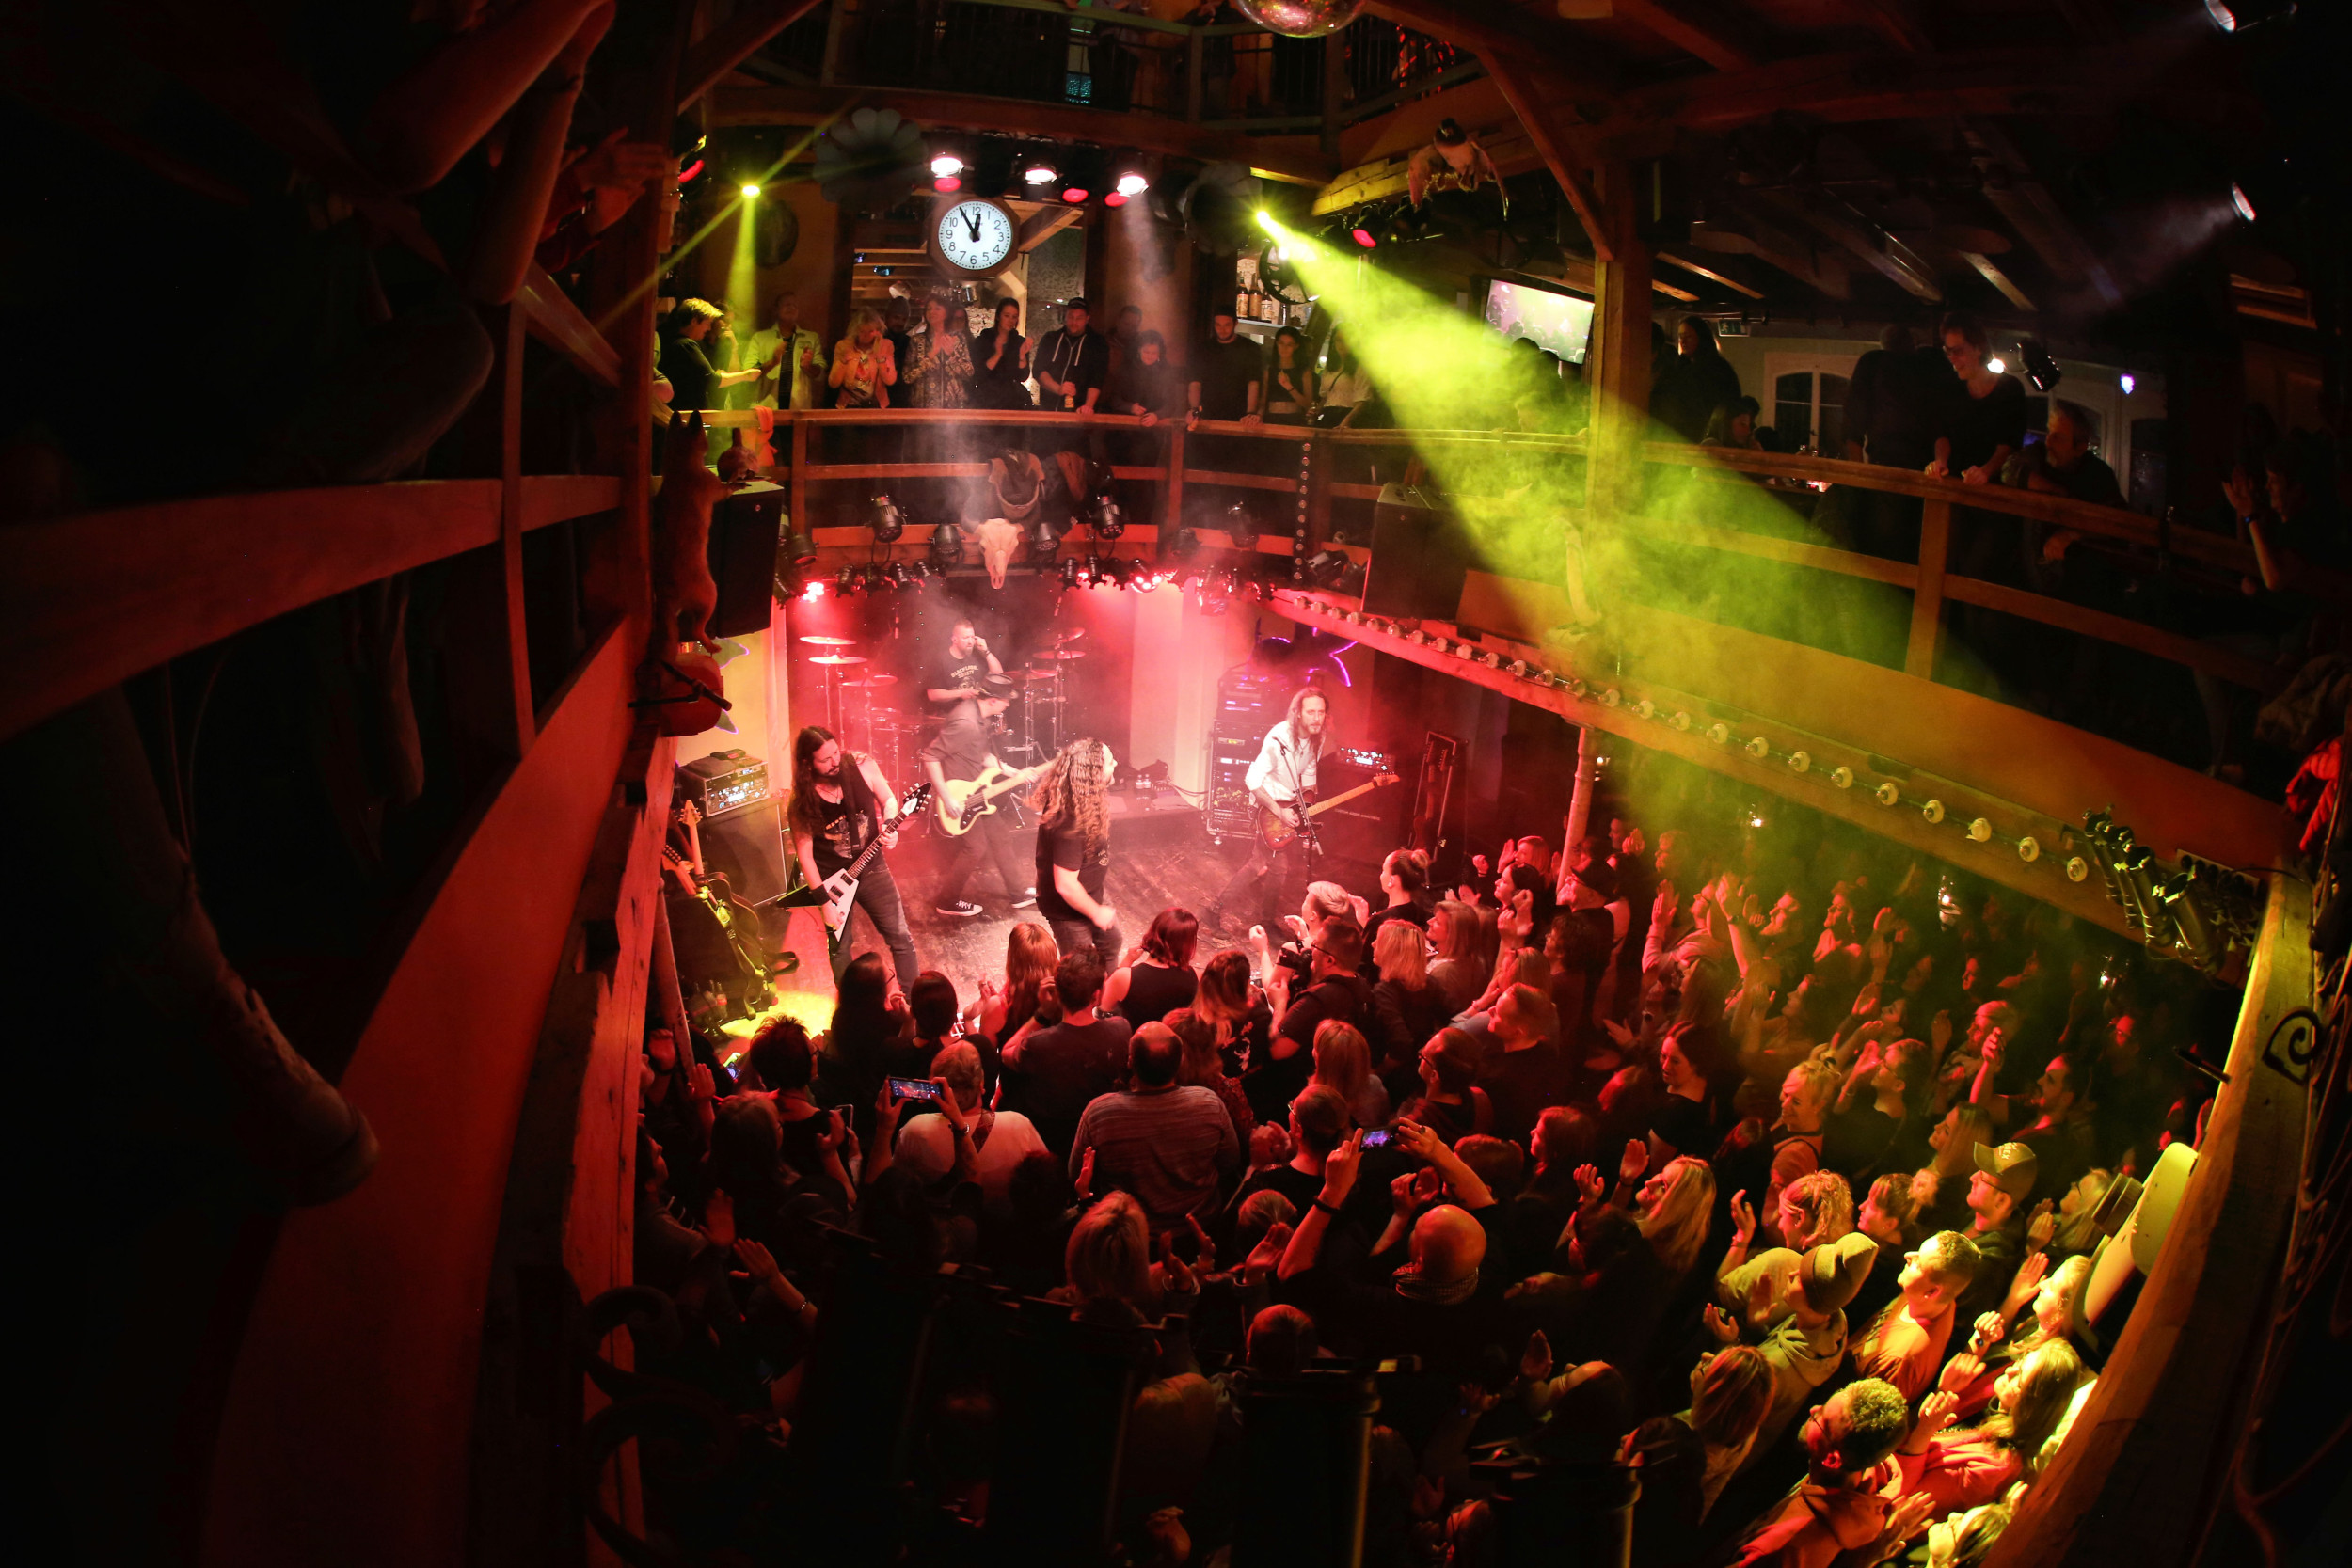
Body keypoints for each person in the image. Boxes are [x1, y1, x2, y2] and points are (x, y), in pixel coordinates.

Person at [1720, 1378, 1920, 1568]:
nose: (1813, 1410)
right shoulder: (1861, 1477)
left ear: (1832, 1460)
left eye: (1821, 1419)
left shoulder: (1784, 1546)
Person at [785, 724, 919, 990]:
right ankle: (851, 1006)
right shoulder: (801, 800)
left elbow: (889, 799)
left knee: (900, 937)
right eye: (825, 759)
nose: (835, 762)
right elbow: (805, 856)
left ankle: (913, 1002)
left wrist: (890, 826)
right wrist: (824, 902)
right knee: (840, 949)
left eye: (836, 752)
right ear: (808, 764)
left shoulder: (863, 766)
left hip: (872, 868)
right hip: (832, 881)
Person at [1068, 1022, 1240, 1228]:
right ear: (1180, 1061)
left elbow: (1077, 1174)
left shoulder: (1099, 1114)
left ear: (1130, 1061)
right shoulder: (1209, 1104)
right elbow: (1230, 1162)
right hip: (1199, 1227)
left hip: (1130, 1232)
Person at [1204, 686, 1331, 936]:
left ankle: (1239, 915)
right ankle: (1229, 913)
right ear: (1297, 713)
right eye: (1311, 712)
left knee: (1266, 865)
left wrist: (1307, 802)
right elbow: (1252, 780)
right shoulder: (1278, 739)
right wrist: (1279, 812)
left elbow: (1308, 772)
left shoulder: (1318, 736)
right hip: (1267, 806)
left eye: (1321, 712)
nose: (1317, 718)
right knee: (1266, 865)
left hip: (1288, 804)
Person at [920, 658, 1036, 921]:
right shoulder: (966, 723)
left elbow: (982, 754)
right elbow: (930, 756)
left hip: (979, 792)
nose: (1007, 705)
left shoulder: (979, 716)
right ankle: (947, 901)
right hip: (961, 796)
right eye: (1005, 701)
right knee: (975, 848)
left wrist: (1013, 772)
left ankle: (1018, 893)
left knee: (1000, 837)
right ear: (993, 700)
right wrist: (947, 797)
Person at [999, 949, 1132, 1158]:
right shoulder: (1121, 1030)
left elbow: (1006, 1052)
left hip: (1050, 1145)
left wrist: (1042, 1014)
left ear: (1058, 993)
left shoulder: (1038, 1044)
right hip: (1099, 1142)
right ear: (1096, 995)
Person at [892, 1041, 1048, 1216]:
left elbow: (896, 1186)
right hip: (1004, 1226)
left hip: (939, 1228)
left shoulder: (915, 1130)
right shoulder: (1019, 1125)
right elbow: (1047, 1180)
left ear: (934, 1087)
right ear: (981, 1084)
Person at [1847, 1229, 1982, 1402]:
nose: (1908, 1255)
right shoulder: (1936, 1302)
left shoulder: (1901, 1362)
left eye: (1919, 1264)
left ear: (1932, 1292)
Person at [1031, 736, 1122, 963]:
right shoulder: (1070, 822)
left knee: (1111, 942)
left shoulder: (1084, 797)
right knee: (1080, 968)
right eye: (1110, 762)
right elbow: (1066, 885)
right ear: (1094, 773)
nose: (1116, 764)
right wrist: (1096, 912)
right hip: (1067, 910)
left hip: (1091, 892)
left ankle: (1109, 986)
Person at [660, 298, 764, 412]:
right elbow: (712, 380)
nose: (709, 328)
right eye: (707, 324)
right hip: (686, 415)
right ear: (694, 321)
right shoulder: (686, 345)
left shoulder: (677, 342)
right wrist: (746, 375)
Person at [1104, 907, 1201, 1028]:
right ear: (1190, 943)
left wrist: (1128, 960)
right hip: (1170, 1039)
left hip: (1130, 1038)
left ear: (1154, 932)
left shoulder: (1126, 977)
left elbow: (1101, 1009)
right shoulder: (1197, 977)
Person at [1651, 315, 1742, 443]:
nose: (1683, 341)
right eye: (1681, 337)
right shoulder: (1680, 367)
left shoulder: (1716, 369)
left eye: (1688, 336)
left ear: (1701, 338)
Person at [745, 289, 826, 411]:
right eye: (786, 304)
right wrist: (773, 362)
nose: (791, 307)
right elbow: (748, 375)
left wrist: (808, 366)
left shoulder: (811, 338)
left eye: (795, 305)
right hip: (766, 410)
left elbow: (821, 375)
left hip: (799, 410)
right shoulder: (760, 338)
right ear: (776, 309)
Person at [1033, 296, 1110, 416]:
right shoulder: (1051, 338)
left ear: (1087, 319)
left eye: (1079, 318)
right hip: (1048, 410)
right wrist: (1058, 389)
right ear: (1065, 316)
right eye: (1071, 317)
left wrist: (1088, 406)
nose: (1074, 322)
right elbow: (1038, 370)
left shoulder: (1097, 343)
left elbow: (1097, 379)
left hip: (1079, 413)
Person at [1188, 309, 1263, 426]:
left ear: (1235, 323)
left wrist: (1251, 413)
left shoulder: (1249, 348)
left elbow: (1253, 383)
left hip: (1240, 416)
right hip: (1208, 415)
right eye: (1218, 325)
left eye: (1227, 325)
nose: (1222, 330)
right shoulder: (1204, 349)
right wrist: (1194, 410)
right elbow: (1195, 383)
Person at [905, 293, 974, 410]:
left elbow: (968, 374)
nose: (932, 312)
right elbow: (907, 377)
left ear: (946, 313)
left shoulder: (957, 339)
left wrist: (951, 355)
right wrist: (930, 356)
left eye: (937, 308)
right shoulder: (917, 340)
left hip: (952, 408)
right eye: (929, 309)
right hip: (923, 407)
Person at [1104, 329, 1183, 421]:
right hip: (1126, 422)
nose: (1150, 356)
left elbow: (1170, 404)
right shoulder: (1126, 370)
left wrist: (1157, 415)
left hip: (1155, 424)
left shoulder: (1166, 372)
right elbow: (1114, 399)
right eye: (1146, 352)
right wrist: (1130, 407)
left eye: (1154, 353)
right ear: (1139, 350)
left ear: (1159, 353)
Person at [829, 306, 897, 408]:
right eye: (862, 331)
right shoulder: (843, 346)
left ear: (878, 331)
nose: (866, 335)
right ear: (855, 330)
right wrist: (843, 361)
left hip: (876, 405)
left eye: (870, 331)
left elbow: (890, 380)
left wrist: (879, 357)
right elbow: (833, 383)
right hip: (848, 404)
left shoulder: (886, 345)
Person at [972, 297, 1033, 409]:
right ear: (998, 316)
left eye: (1014, 317)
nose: (1010, 320)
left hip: (1012, 400)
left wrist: (1022, 356)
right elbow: (979, 374)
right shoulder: (984, 339)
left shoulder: (1019, 342)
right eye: (1007, 316)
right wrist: (997, 354)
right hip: (987, 399)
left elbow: (1023, 376)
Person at [1263, 326, 1316, 425]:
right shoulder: (1269, 370)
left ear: (1296, 346)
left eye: (1289, 345)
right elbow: (1262, 401)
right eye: (1281, 343)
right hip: (1271, 419)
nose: (1284, 348)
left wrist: (1289, 387)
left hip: (1295, 420)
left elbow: (1307, 404)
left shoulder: (1304, 372)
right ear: (1276, 343)